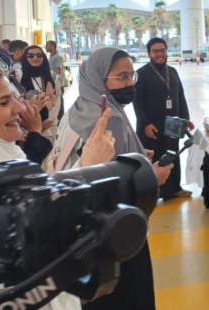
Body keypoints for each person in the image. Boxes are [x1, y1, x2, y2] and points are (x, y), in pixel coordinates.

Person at [0, 53, 115, 310]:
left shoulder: (6, 152)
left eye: (14, 97)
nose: (20, 108)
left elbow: (44, 201)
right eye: (2, 102)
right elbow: (37, 235)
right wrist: (87, 168)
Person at [69, 47, 172, 310]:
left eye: (132, 76)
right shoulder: (108, 118)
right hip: (117, 234)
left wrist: (136, 156)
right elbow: (107, 189)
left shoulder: (82, 106)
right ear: (100, 78)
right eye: (122, 77)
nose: (129, 84)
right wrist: (152, 176)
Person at [134, 38, 193, 200]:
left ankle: (174, 189)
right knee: (154, 157)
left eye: (162, 50)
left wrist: (185, 118)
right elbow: (137, 102)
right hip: (152, 126)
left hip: (173, 124)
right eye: (155, 51)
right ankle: (153, 192)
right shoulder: (141, 74)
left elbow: (180, 96)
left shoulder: (172, 72)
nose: (160, 54)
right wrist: (145, 123)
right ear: (149, 54)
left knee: (173, 153)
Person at [20, 46, 59, 139]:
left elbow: (57, 101)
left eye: (39, 55)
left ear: (44, 57)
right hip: (27, 128)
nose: (35, 58)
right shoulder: (18, 75)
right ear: (25, 58)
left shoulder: (52, 76)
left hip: (49, 126)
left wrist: (48, 121)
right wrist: (36, 124)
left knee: (49, 152)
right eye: (30, 55)